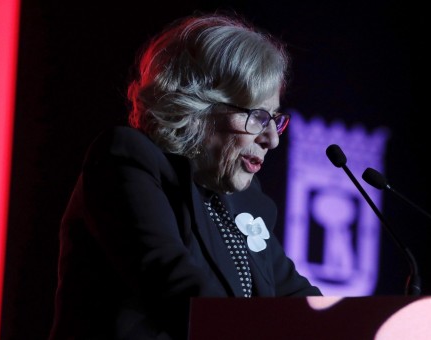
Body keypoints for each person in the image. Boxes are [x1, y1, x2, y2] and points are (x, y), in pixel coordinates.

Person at [49, 11, 322, 340]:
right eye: (257, 117)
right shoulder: (126, 159)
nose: (272, 139)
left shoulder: (241, 200)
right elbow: (174, 284)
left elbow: (298, 299)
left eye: (275, 119)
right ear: (198, 107)